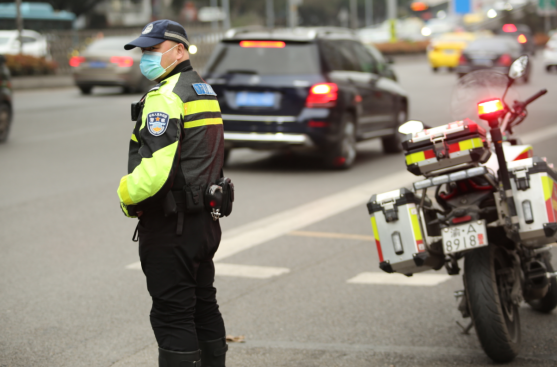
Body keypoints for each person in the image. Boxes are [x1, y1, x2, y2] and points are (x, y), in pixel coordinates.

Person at [117, 20, 227, 367]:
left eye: (152, 49)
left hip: (172, 225)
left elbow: (154, 173)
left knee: (172, 315)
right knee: (203, 304)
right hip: (203, 222)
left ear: (179, 50)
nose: (145, 57)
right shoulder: (203, 90)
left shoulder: (166, 97)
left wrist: (125, 196)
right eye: (143, 51)